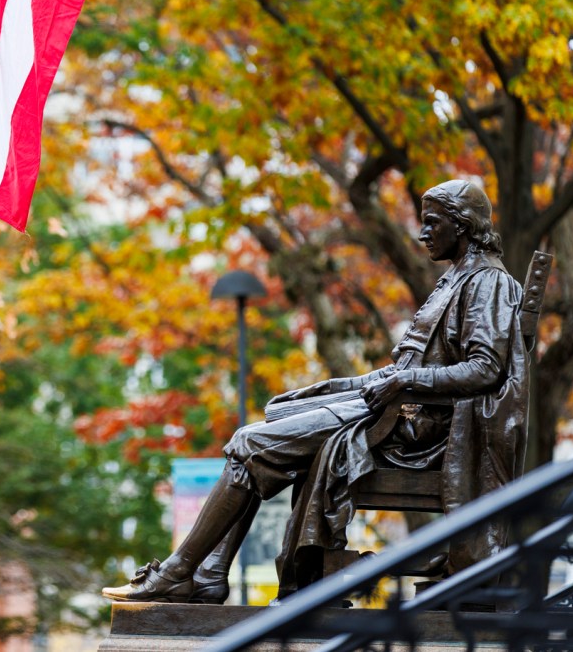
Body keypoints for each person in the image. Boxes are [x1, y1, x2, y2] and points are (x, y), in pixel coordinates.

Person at [102, 179, 529, 604]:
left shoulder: (487, 282)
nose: (422, 234)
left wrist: (403, 382)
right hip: (395, 410)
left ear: (463, 225)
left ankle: (182, 571)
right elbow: (402, 369)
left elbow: (485, 369)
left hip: (418, 431)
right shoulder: (455, 279)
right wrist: (325, 389)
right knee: (268, 423)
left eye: (432, 223)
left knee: (248, 443)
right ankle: (209, 572)